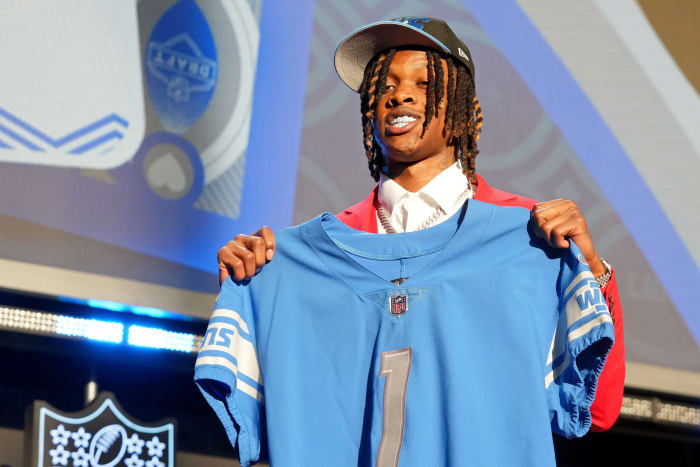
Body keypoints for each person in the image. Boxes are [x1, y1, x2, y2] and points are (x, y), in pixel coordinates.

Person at [214, 16, 624, 432]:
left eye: (423, 84)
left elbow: (599, 408)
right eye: (384, 86)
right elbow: (279, 410)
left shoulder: (528, 234)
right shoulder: (322, 249)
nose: (399, 96)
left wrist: (589, 268)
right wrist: (250, 290)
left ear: (465, 110)